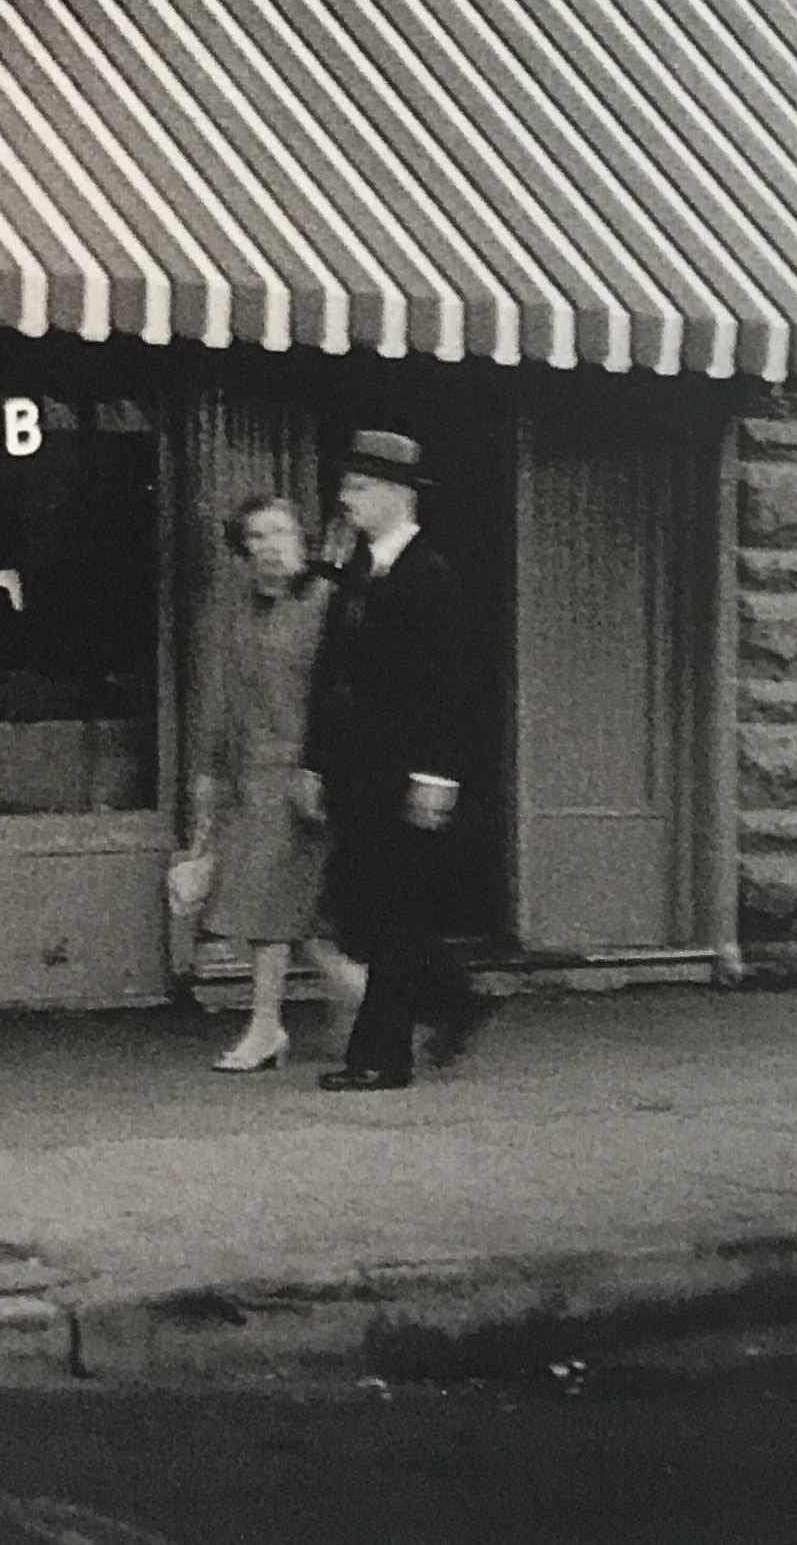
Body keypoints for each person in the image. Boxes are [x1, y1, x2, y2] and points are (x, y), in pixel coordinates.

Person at [301, 426, 480, 1094]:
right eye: (347, 485)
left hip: (405, 768)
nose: (347, 498)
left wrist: (437, 773)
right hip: (357, 767)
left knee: (394, 910)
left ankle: (380, 1056)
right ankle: (450, 999)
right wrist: (317, 762)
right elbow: (332, 672)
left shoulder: (429, 574)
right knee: (367, 908)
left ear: (401, 495)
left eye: (361, 486)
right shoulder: (359, 570)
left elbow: (449, 684)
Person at [188, 492, 362, 1073]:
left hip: (303, 773)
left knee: (273, 905)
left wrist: (324, 766)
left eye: (281, 532)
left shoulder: (327, 603)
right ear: (243, 549)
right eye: (257, 537)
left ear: (302, 539)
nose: (270, 547)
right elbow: (224, 697)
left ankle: (270, 1025)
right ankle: (367, 1003)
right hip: (251, 775)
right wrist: (211, 771)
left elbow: (343, 695)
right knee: (293, 910)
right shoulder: (238, 611)